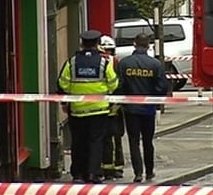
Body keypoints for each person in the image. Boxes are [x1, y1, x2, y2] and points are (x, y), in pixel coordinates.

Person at [57, 30, 119, 183]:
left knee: (78, 142)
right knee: (96, 142)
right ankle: (93, 173)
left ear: (81, 44)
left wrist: (65, 103)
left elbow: (62, 84)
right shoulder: (104, 63)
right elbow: (114, 84)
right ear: (98, 45)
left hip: (77, 110)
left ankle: (78, 174)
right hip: (99, 110)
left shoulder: (71, 62)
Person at [117, 33, 168, 183]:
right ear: (149, 45)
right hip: (148, 109)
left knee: (133, 141)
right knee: (148, 141)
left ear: (134, 44)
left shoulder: (124, 63)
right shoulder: (155, 64)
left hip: (131, 108)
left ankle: (138, 172)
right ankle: (150, 171)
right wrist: (154, 97)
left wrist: (123, 99)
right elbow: (162, 87)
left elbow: (119, 85)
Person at [98, 35, 126, 180]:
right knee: (104, 139)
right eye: (106, 50)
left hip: (112, 108)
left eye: (110, 50)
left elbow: (119, 84)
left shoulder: (114, 62)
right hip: (101, 107)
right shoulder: (103, 63)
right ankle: (106, 167)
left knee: (115, 139)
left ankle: (116, 167)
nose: (107, 53)